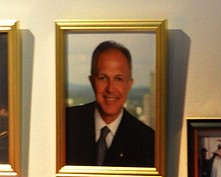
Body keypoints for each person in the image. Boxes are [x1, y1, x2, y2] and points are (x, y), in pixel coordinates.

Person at [64, 40, 155, 168]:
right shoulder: (65, 123)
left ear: (129, 84)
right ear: (92, 81)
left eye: (118, 79)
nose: (110, 89)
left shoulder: (148, 141)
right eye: (103, 78)